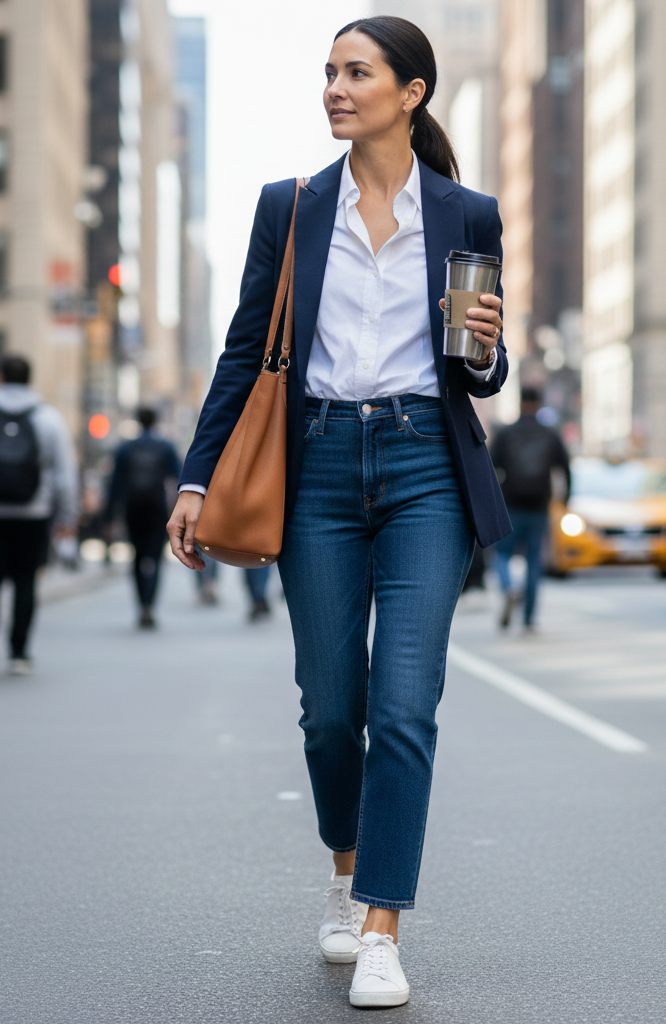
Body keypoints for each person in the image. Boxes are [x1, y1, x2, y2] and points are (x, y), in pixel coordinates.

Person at [167, 16, 510, 1009]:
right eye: (328, 72)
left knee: (404, 706)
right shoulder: (292, 206)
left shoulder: (468, 213)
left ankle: (382, 925)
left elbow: (481, 365)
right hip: (313, 464)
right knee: (331, 711)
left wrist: (486, 347)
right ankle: (344, 863)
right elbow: (245, 350)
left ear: (411, 92)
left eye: (357, 72)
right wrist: (196, 479)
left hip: (424, 468)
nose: (335, 88)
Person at [0, 354, 78, 674]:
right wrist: (67, 518)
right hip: (34, 512)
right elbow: (64, 473)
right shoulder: (48, 418)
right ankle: (19, 653)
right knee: (25, 582)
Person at [490, 385, 571, 631]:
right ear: (538, 404)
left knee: (501, 554)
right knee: (534, 561)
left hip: (510, 504)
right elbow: (565, 469)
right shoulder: (550, 434)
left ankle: (508, 587)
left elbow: (489, 469)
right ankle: (527, 620)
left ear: (520, 402)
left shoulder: (505, 433)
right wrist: (566, 500)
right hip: (539, 506)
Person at [106, 408, 181, 629]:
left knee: (137, 557)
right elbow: (178, 477)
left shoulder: (125, 448)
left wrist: (109, 516)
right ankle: (150, 604)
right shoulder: (165, 447)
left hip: (133, 508)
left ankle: (141, 605)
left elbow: (115, 485)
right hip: (156, 509)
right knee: (156, 558)